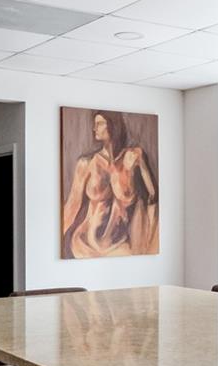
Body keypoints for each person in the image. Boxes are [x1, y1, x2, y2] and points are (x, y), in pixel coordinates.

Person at [60, 110, 158, 258]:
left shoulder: (133, 157)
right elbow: (72, 207)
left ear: (113, 126)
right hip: (85, 245)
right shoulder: (86, 164)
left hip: (121, 246)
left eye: (99, 124)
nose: (94, 129)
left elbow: (153, 197)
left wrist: (141, 165)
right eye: (94, 125)